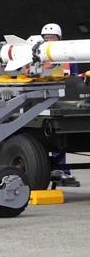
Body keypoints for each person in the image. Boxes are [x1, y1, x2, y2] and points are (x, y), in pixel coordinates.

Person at [41, 23, 80, 187]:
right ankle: (51, 169)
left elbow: (74, 78)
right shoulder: (39, 55)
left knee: (60, 140)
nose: (49, 40)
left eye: (52, 37)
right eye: (46, 38)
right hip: (43, 100)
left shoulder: (67, 56)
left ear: (59, 38)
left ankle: (62, 171)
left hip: (63, 100)